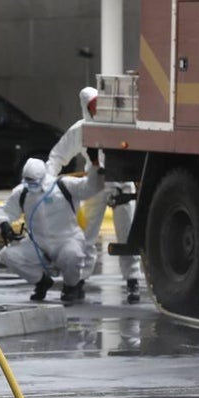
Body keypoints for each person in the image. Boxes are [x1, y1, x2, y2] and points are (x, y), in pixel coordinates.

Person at [46, 86, 143, 304]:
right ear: (85, 107)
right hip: (94, 184)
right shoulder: (81, 130)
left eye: (98, 103)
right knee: (86, 235)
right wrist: (46, 181)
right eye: (92, 105)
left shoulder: (117, 125)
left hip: (121, 183)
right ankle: (79, 280)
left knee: (127, 234)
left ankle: (133, 281)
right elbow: (58, 155)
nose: (96, 108)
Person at [0, 157, 103, 303]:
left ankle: (71, 286)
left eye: (34, 180)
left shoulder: (63, 185)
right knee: (8, 255)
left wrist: (95, 168)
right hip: (38, 243)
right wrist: (4, 224)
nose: (32, 184)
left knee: (73, 255)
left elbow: (90, 188)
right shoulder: (22, 192)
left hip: (67, 239)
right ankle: (41, 282)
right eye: (28, 180)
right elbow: (5, 211)